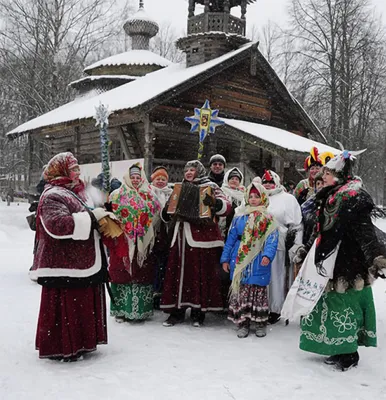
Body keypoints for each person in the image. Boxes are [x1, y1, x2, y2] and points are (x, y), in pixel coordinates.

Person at [283, 149, 386, 371]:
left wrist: (376, 257)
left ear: (339, 175)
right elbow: (320, 232)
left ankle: (349, 353)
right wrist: (307, 249)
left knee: (344, 305)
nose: (323, 176)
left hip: (348, 262)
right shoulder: (329, 196)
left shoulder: (353, 198)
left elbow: (365, 232)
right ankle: (337, 347)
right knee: (329, 304)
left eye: (328, 173)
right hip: (327, 260)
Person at [33, 152, 110, 361]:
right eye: (73, 169)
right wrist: (92, 218)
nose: (77, 172)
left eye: (78, 168)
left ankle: (82, 342)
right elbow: (57, 226)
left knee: (80, 303)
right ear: (62, 171)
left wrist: (104, 211)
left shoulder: (76, 191)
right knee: (68, 304)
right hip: (63, 262)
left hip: (79, 260)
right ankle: (64, 345)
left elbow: (93, 207)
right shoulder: (53, 194)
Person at [161, 160, 231, 327]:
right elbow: (167, 213)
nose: (189, 173)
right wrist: (166, 211)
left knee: (197, 275)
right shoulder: (178, 189)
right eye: (186, 170)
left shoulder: (210, 186)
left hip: (201, 238)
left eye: (192, 170)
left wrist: (215, 204)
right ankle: (176, 312)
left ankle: (198, 312)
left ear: (199, 171)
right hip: (180, 237)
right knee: (178, 275)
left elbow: (226, 205)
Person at [221, 182, 279, 338]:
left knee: (257, 290)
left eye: (257, 196)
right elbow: (231, 239)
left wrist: (267, 255)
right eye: (250, 196)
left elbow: (272, 239)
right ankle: (243, 322)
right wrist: (225, 258)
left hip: (258, 258)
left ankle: (260, 322)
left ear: (263, 197)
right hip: (239, 258)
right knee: (242, 291)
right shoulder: (239, 217)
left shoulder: (268, 218)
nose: (253, 199)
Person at [107, 163, 161, 322]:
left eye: (138, 177)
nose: (136, 180)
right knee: (122, 272)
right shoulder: (116, 194)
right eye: (133, 177)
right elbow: (110, 214)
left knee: (141, 272)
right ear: (127, 178)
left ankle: (140, 310)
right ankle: (120, 310)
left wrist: (144, 226)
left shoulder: (150, 194)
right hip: (123, 239)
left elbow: (156, 214)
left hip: (143, 240)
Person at [261, 170, 303, 324]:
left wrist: (296, 245)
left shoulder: (288, 199)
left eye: (270, 182)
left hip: (279, 243)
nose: (267, 185)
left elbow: (297, 224)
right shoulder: (255, 196)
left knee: (276, 276)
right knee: (259, 275)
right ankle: (259, 305)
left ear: (277, 182)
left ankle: (274, 308)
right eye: (265, 182)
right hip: (257, 244)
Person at [149, 166, 173, 309]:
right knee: (153, 265)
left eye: (163, 179)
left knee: (165, 265)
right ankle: (153, 293)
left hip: (166, 233)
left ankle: (161, 294)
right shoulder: (149, 192)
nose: (160, 181)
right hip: (153, 231)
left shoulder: (171, 194)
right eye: (158, 178)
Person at [220, 167, 245, 238]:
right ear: (227, 180)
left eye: (237, 179)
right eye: (232, 179)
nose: (234, 181)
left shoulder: (244, 195)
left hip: (237, 229)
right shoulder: (220, 192)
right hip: (223, 227)